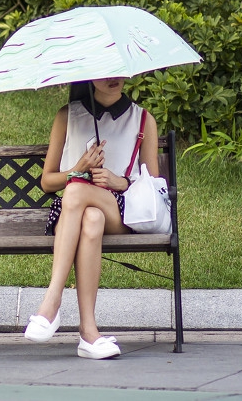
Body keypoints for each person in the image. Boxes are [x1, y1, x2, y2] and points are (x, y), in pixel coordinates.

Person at [22, 76, 159, 359]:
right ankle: (88, 333)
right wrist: (77, 169)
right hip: (77, 214)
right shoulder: (67, 115)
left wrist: (119, 182)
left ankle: (52, 299)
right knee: (89, 215)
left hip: (120, 210)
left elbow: (153, 184)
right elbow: (47, 182)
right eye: (105, 73)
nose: (114, 79)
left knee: (76, 194)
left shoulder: (143, 119)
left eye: (119, 72)